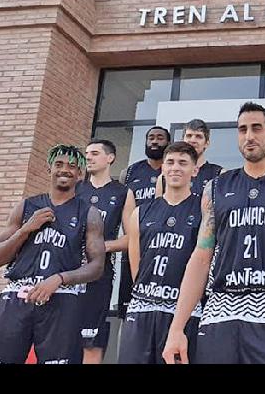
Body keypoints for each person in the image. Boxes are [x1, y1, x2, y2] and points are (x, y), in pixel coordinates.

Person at [162, 102, 265, 364]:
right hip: (220, 314)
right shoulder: (216, 188)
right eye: (242, 129)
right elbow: (201, 257)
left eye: (256, 128)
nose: (249, 136)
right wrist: (177, 328)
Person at [0, 145, 105, 364]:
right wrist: (26, 229)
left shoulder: (89, 213)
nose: (65, 170)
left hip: (61, 298)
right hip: (18, 297)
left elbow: (97, 267)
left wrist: (60, 279)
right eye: (59, 164)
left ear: (80, 174)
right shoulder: (26, 207)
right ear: (49, 168)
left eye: (72, 166)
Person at [117, 142, 204, 364]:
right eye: (170, 162)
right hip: (142, 308)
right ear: (163, 168)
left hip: (182, 311)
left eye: (183, 163)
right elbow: (136, 265)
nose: (175, 168)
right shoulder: (141, 212)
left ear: (194, 170)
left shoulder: (203, 211)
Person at [75, 139, 129, 364]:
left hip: (99, 276)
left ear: (110, 158)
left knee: (92, 343)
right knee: (60, 340)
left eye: (95, 153)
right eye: (87, 153)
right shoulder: (76, 189)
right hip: (67, 274)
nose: (88, 157)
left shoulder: (123, 192)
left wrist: (103, 246)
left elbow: (131, 239)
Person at [118, 126, 171, 319]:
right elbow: (124, 209)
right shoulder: (130, 172)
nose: (155, 142)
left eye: (160, 138)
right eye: (151, 138)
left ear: (168, 143)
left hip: (163, 244)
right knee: (129, 308)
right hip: (135, 243)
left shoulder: (172, 171)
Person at [156, 119, 223, 198]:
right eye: (189, 136)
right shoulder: (165, 177)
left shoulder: (219, 174)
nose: (193, 140)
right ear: (182, 139)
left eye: (198, 136)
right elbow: (159, 207)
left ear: (207, 143)